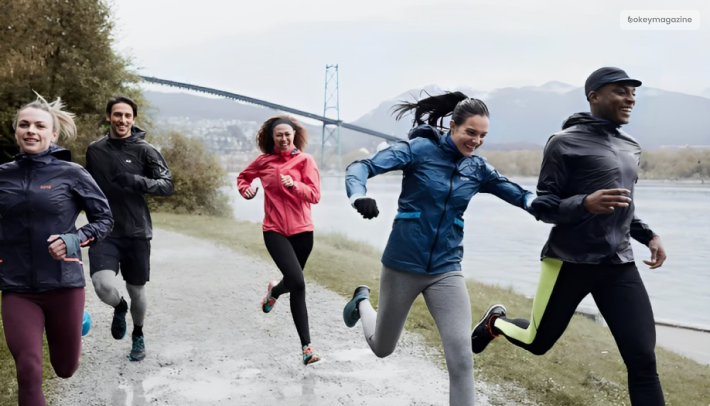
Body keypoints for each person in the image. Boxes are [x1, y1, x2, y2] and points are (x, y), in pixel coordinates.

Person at [470, 67, 667, 406]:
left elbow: (623, 204)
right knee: (537, 341)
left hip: (618, 263)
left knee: (643, 360)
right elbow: (543, 207)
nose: (630, 98)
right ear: (595, 96)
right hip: (568, 261)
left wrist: (647, 235)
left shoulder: (630, 146)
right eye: (621, 91)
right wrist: (585, 204)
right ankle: (496, 324)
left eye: (633, 92)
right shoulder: (563, 143)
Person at [341, 92, 550, 406]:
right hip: (402, 265)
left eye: (482, 135)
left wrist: (545, 206)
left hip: (446, 269)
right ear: (452, 126)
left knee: (462, 358)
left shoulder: (477, 168)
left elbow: (520, 195)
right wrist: (358, 197)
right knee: (382, 347)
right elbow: (362, 167)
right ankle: (361, 303)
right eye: (470, 132)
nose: (476, 140)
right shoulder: (419, 150)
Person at [0, 95, 113, 406]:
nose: (31, 130)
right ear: (16, 132)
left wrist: (73, 240)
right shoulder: (3, 175)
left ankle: (78, 320)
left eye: (39, 126)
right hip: (16, 287)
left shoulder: (71, 173)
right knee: (28, 367)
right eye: (24, 125)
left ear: (52, 135)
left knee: (65, 369)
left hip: (63, 285)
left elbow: (105, 219)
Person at [85, 95, 174, 362]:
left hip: (136, 232)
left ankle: (138, 334)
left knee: (137, 290)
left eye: (127, 116)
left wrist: (138, 180)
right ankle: (119, 306)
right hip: (104, 230)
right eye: (117, 115)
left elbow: (167, 184)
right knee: (102, 285)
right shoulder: (95, 150)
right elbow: (87, 189)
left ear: (133, 119)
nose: (122, 120)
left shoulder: (146, 150)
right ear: (109, 117)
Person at [237, 115, 322, 365]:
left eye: (287, 134)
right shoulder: (264, 162)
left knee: (292, 282)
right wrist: (247, 190)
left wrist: (295, 185)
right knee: (298, 283)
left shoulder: (306, 161)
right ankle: (307, 348)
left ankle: (274, 290)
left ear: (294, 135)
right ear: (272, 137)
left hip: (303, 231)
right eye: (279, 135)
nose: (283, 139)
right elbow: (243, 178)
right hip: (274, 230)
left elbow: (315, 195)